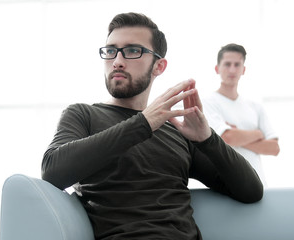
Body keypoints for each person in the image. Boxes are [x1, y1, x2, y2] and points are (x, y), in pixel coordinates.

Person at [41, 13, 263, 240]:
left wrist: (207, 138)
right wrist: (143, 123)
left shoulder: (177, 131)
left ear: (159, 66)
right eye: (110, 51)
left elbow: (251, 191)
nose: (117, 61)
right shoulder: (82, 115)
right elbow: (52, 171)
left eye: (132, 51)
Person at [202, 43, 280, 186]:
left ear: (243, 70)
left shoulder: (255, 107)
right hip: (226, 185)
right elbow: (228, 138)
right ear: (217, 68)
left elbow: (274, 148)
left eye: (237, 64)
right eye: (227, 64)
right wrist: (257, 134)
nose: (232, 69)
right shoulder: (208, 103)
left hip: (259, 184)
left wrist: (238, 135)